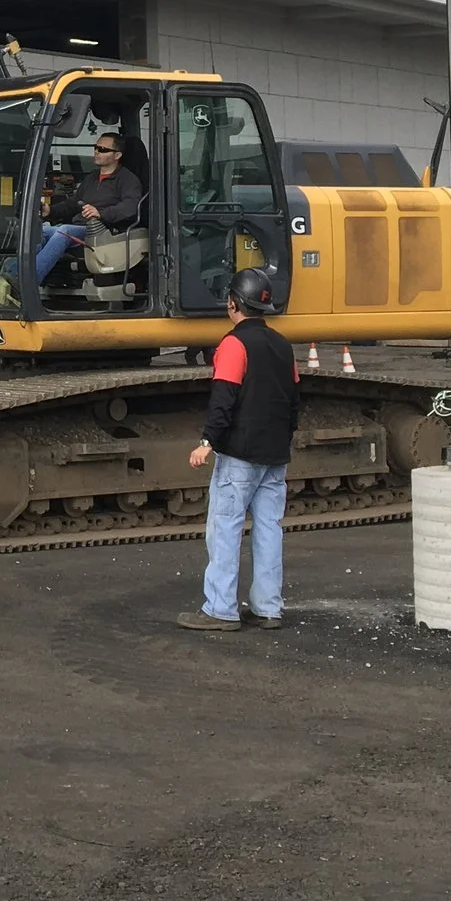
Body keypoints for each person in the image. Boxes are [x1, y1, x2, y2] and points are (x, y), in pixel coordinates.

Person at [178, 267, 301, 631]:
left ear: (232, 303)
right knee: (268, 529)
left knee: (225, 529)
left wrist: (207, 442)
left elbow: (224, 399)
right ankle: (267, 609)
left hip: (240, 456)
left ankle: (220, 609)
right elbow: (294, 401)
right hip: (275, 455)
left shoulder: (233, 344)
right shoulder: (283, 345)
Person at [35, 132, 144, 283]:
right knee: (38, 231)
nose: (97, 152)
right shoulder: (91, 177)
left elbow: (130, 207)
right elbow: (73, 203)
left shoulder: (128, 180)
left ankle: (29, 280)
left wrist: (100, 213)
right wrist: (50, 211)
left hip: (104, 231)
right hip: (80, 227)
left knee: (64, 231)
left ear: (117, 155)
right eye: (96, 147)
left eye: (103, 149)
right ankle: (14, 274)